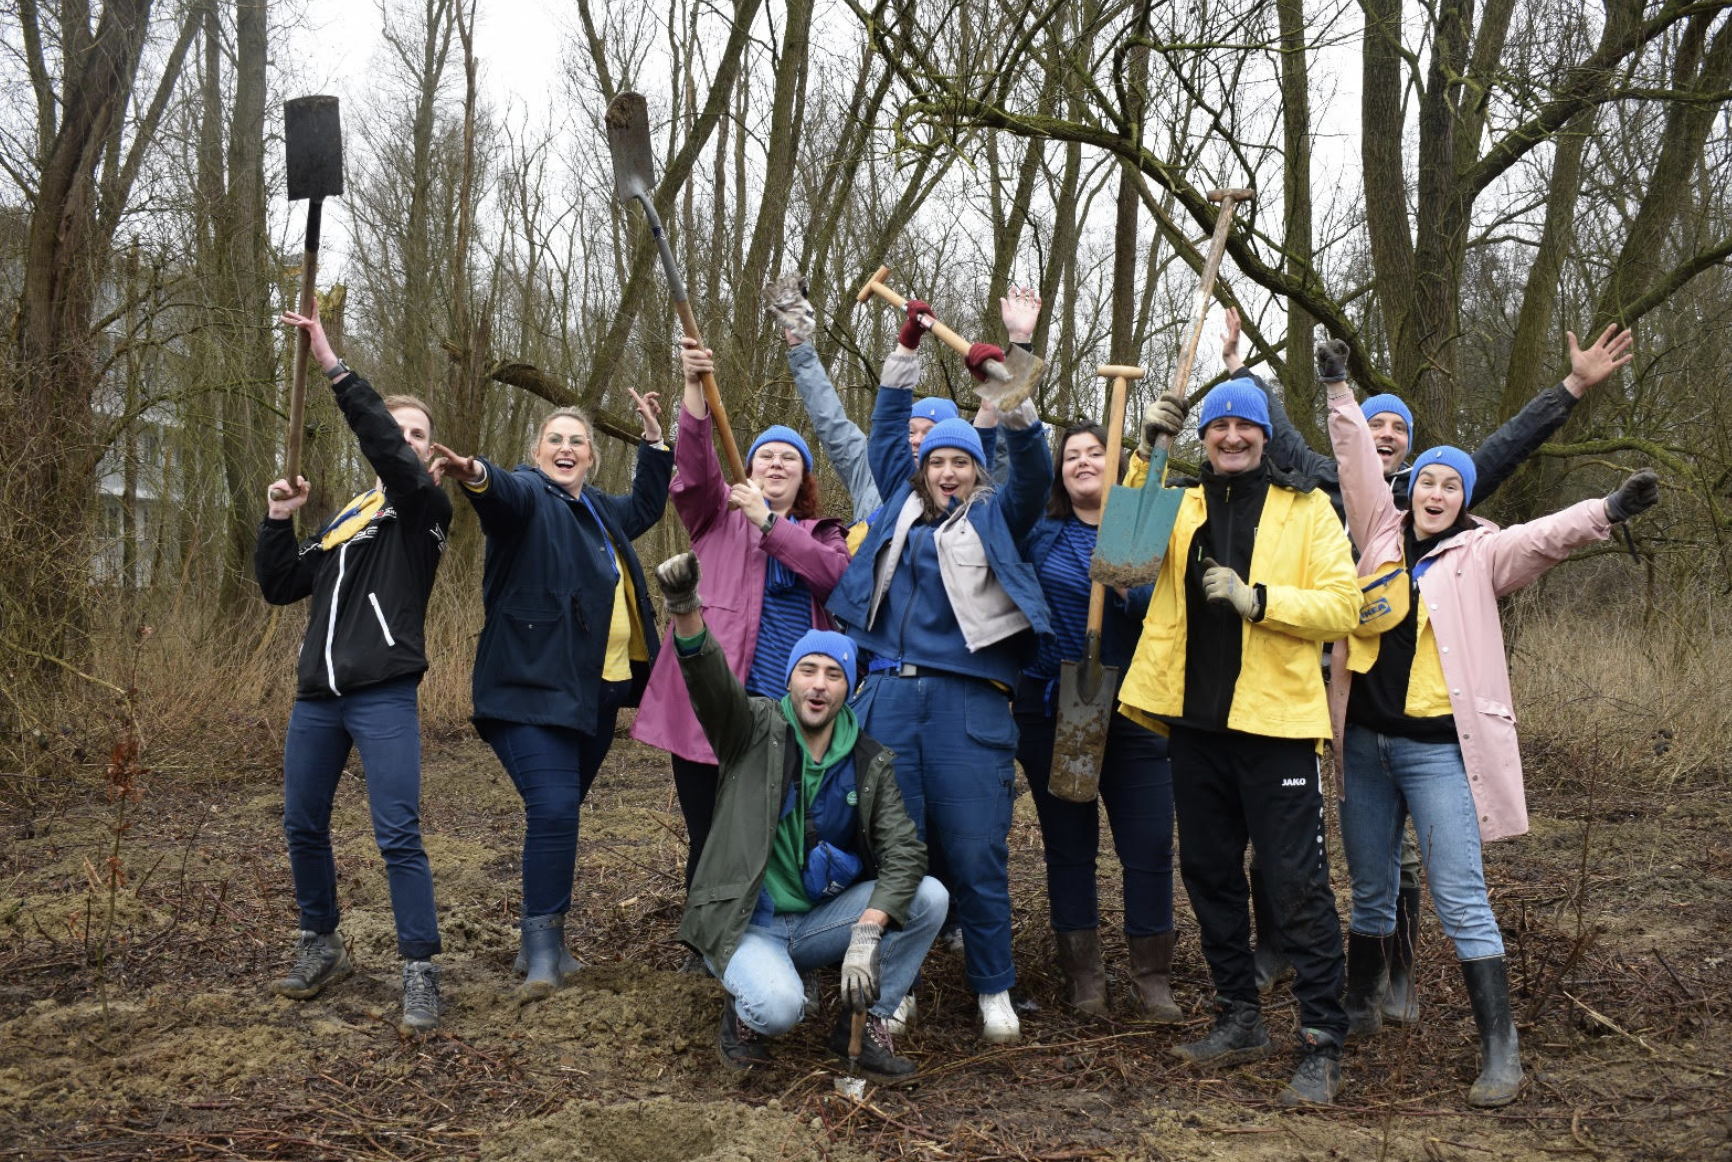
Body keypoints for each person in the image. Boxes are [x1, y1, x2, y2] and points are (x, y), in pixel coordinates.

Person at [1216, 310, 1634, 1016]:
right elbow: (1278, 437)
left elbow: (1509, 461)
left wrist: (1570, 390)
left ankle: (1397, 980)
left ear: (1416, 455)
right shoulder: (1334, 488)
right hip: (1334, 695)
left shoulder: (1444, 510)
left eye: (1398, 432)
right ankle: (1297, 956)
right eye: (1374, 427)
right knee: (1317, 841)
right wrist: (1239, 374)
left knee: (1410, 862)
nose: (1384, 438)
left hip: (1426, 719)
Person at [1316, 338, 1659, 1106]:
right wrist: (1338, 387)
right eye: (1424, 481)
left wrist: (1605, 511)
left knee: (1460, 895)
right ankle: (1363, 1003)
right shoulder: (1376, 534)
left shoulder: (1482, 556)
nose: (1434, 491)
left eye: (1450, 484)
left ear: (1463, 500)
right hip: (1364, 748)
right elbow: (1355, 464)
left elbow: (1544, 537)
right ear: (1408, 493)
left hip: (1437, 754)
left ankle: (1500, 1050)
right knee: (1371, 891)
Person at [1119, 379, 1359, 1105]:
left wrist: (1261, 601)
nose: (1229, 437)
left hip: (1277, 728)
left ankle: (1321, 1040)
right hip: (1194, 725)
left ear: (1262, 437)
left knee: (1296, 887)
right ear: (1205, 440)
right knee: (1210, 873)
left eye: (1243, 427)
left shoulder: (1306, 507)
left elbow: (1344, 603)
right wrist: (1145, 453)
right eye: (1216, 427)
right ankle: (1239, 1017)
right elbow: (1123, 553)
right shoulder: (1183, 503)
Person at [825, 307, 1053, 1045]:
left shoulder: (996, 516)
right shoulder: (899, 509)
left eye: (961, 462)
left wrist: (1006, 385)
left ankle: (993, 987)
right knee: (896, 854)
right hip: (888, 698)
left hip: (969, 705)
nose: (948, 471)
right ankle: (897, 989)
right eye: (938, 462)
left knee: (979, 851)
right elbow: (888, 427)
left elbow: (1035, 469)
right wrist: (906, 348)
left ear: (977, 472)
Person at [654, 552, 947, 1084]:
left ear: (849, 688)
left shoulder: (869, 760)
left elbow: (905, 852)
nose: (819, 684)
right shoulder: (750, 729)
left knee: (930, 895)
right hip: (748, 922)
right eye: (807, 670)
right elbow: (711, 684)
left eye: (834, 674)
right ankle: (744, 1012)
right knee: (779, 1010)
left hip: (816, 922)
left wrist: (869, 930)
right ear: (790, 680)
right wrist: (684, 609)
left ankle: (867, 1023)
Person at [431, 392, 671, 1003]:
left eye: (577, 442)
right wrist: (476, 475)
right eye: (555, 440)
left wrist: (654, 443)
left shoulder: (597, 511)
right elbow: (499, 494)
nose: (566, 449)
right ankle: (541, 953)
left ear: (591, 457)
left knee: (557, 818)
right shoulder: (528, 497)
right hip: (526, 692)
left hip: (593, 697)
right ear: (536, 453)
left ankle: (546, 941)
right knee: (557, 809)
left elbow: (645, 504)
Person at [255, 309, 451, 1034]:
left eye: (417, 434)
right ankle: (321, 940)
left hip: (384, 698)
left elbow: (389, 453)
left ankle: (419, 969)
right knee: (302, 824)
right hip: (317, 701)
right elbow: (279, 585)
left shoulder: (425, 511)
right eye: (396, 430)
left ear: (430, 453)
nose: (404, 441)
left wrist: (335, 367)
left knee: (398, 834)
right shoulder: (343, 524)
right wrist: (278, 520)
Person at [630, 339, 852, 948]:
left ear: (804, 478)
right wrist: (695, 390)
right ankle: (703, 938)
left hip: (785, 715)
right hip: (715, 705)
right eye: (765, 457)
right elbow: (695, 471)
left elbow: (834, 579)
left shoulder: (823, 534)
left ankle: (770, 936)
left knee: (774, 831)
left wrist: (770, 524)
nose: (776, 465)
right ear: (749, 469)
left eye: (790, 460)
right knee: (708, 829)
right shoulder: (714, 519)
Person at [1013, 420, 1178, 1021]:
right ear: (1059, 471)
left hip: (1135, 702)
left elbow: (1155, 606)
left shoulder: (1141, 527)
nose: (1083, 461)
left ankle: (1152, 976)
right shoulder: (1039, 531)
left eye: (1095, 452)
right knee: (1069, 845)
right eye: (1072, 455)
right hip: (1059, 706)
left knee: (1150, 842)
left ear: (1113, 465)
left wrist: (1122, 578)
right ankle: (1085, 977)